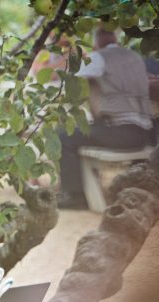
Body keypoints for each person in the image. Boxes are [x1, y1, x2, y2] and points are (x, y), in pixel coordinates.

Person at [57, 29, 155, 210]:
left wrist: (71, 54)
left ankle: (75, 196)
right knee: (90, 129)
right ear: (115, 38)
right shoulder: (135, 57)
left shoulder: (101, 57)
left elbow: (72, 77)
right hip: (145, 134)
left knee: (64, 135)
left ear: (96, 42)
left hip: (122, 133)